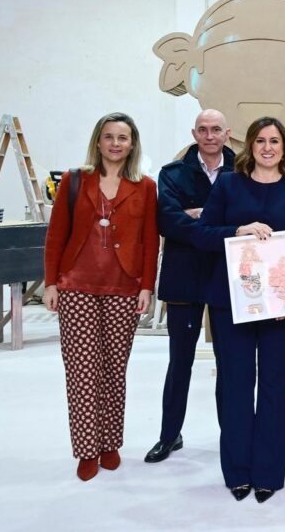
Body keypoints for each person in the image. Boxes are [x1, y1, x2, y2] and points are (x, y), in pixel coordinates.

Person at [193, 117, 285, 503]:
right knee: (235, 384)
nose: (267, 147)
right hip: (231, 303)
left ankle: (268, 472)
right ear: (250, 145)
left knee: (275, 387)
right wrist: (237, 231)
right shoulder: (229, 184)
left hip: (280, 307)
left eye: (275, 141)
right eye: (260, 140)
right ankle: (238, 472)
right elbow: (201, 233)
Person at [42, 112, 160, 481]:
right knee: (81, 371)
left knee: (113, 370)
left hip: (124, 286)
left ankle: (110, 442)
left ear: (132, 144)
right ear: (98, 141)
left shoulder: (145, 187)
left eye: (122, 138)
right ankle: (86, 449)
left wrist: (146, 286)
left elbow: (150, 240)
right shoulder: (76, 181)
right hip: (75, 284)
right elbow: (56, 235)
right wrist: (50, 282)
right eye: (108, 136)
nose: (114, 143)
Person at [145, 109, 235, 464]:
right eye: (203, 129)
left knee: (230, 363)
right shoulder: (172, 173)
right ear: (194, 133)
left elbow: (243, 217)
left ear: (227, 133)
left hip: (230, 278)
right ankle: (169, 436)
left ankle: (233, 434)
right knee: (179, 361)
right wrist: (215, 223)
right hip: (185, 277)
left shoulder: (241, 172)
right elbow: (167, 221)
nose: (210, 135)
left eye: (216, 129)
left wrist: (196, 217)